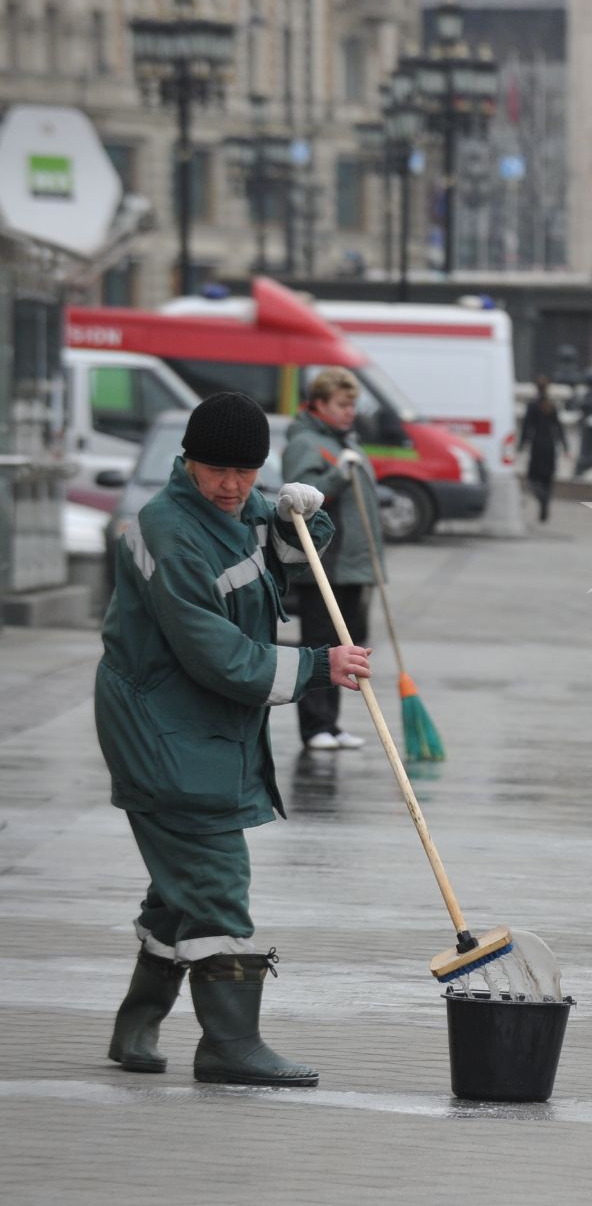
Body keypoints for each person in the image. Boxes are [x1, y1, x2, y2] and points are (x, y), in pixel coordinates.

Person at [95, 392, 372, 1087]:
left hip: (204, 725)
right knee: (216, 878)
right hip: (162, 729)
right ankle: (230, 1042)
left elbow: (283, 559)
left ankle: (137, 1021)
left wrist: (302, 517)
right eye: (217, 469)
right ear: (186, 460)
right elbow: (214, 652)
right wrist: (315, 665)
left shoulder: (237, 506)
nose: (232, 485)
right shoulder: (164, 530)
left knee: (179, 883)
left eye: (247, 472)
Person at [281, 368, 385, 751]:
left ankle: (331, 723)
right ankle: (314, 726)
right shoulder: (307, 443)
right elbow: (299, 498)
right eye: (342, 404)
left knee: (346, 646)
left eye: (353, 404)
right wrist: (338, 475)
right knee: (321, 645)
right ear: (319, 404)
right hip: (327, 567)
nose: (349, 412)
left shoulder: (346, 441)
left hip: (352, 567)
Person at [520, 375, 569, 522]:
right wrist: (565, 446)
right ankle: (545, 505)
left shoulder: (532, 405)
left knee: (533, 478)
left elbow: (526, 428)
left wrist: (521, 445)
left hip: (537, 446)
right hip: (550, 446)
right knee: (548, 479)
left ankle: (542, 500)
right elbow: (559, 427)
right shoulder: (552, 405)